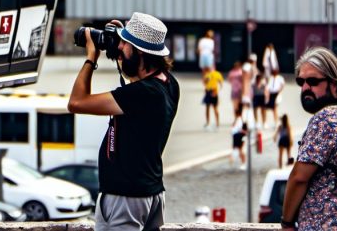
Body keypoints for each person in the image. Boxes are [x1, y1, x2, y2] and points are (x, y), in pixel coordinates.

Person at [67, 12, 180, 231]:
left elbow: (77, 103)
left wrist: (91, 58)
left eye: (125, 45)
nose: (120, 49)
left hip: (126, 198)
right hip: (151, 193)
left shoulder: (142, 95)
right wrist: (118, 41)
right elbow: (135, 76)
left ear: (138, 52)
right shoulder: (168, 84)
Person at [280, 47, 337, 231]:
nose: (305, 88)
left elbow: (299, 177)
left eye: (313, 81)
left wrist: (287, 222)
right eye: (301, 81)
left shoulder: (327, 119)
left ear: (334, 85)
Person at [203, 66, 223, 130]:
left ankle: (216, 123)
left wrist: (217, 92)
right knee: (209, 108)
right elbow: (205, 82)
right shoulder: (208, 74)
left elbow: (220, 83)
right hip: (210, 91)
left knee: (213, 108)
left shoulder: (214, 74)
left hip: (212, 91)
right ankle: (209, 123)